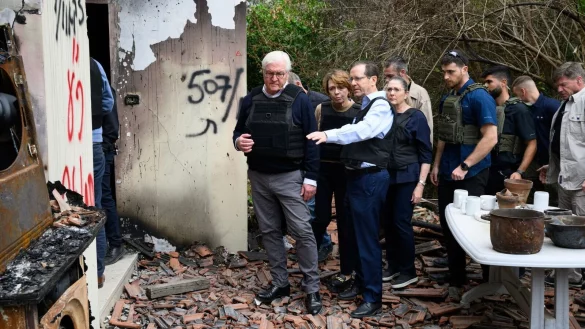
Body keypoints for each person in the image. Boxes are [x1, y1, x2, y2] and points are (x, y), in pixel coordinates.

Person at [232, 50, 322, 315]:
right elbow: (238, 131)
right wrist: (238, 142)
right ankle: (281, 284)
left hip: (290, 177)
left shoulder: (300, 100)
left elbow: (312, 140)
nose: (274, 78)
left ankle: (312, 288)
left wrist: (311, 178)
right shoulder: (250, 99)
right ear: (263, 73)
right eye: (270, 73)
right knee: (270, 232)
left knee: (302, 232)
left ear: (288, 74)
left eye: (280, 73)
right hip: (259, 177)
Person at [307, 61, 393, 318]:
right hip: (356, 177)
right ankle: (359, 281)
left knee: (366, 240)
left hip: (370, 178)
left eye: (357, 79)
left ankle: (372, 298)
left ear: (373, 79)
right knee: (354, 235)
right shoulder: (366, 106)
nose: (353, 84)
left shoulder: (380, 106)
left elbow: (362, 131)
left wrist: (328, 135)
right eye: (352, 79)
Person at [430, 51, 497, 288]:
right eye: (444, 72)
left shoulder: (480, 97)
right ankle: (456, 276)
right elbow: (444, 134)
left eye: (451, 72)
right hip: (448, 168)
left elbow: (490, 138)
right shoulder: (449, 97)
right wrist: (436, 164)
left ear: (465, 69)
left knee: (474, 224)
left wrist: (466, 165)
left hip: (472, 172)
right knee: (449, 225)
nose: (446, 77)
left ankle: (489, 278)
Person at [310, 69, 360, 292]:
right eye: (332, 88)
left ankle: (346, 270)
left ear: (348, 88)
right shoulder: (322, 109)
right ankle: (309, 264)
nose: (337, 92)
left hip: (347, 173)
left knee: (345, 222)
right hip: (323, 171)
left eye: (340, 87)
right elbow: (312, 139)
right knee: (319, 219)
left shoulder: (359, 111)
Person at [382, 77, 432, 289]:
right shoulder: (384, 115)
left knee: (401, 223)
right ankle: (393, 266)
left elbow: (426, 153)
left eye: (396, 90)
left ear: (405, 93)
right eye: (389, 89)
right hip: (386, 177)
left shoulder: (416, 117)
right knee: (387, 223)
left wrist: (420, 184)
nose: (392, 93)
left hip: (407, 178)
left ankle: (407, 270)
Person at [538, 62, 585, 287]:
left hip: (582, 181)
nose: (558, 89)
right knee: (567, 228)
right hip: (565, 178)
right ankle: (568, 275)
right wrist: (552, 167)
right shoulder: (564, 106)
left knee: (581, 227)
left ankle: (576, 275)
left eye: (562, 84)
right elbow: (564, 144)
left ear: (578, 80)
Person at [287, 72, 333, 262]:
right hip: (298, 162)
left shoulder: (320, 103)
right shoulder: (288, 102)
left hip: (320, 164)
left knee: (313, 210)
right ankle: (310, 245)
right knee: (303, 209)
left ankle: (322, 244)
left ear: (298, 84)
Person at [480, 66, 537, 195]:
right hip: (487, 173)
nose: (486, 86)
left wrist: (520, 171)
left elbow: (532, 143)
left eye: (489, 82)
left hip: (509, 174)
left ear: (503, 83)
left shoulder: (519, 110)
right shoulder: (488, 109)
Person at [512, 76, 561, 204]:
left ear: (523, 91)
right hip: (536, 162)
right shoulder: (527, 110)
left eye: (518, 95)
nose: (518, 99)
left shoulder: (552, 106)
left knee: (554, 200)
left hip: (554, 164)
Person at [90, 57, 114, 288]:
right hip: (92, 142)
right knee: (94, 208)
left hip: (58, 145)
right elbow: (107, 104)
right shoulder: (94, 64)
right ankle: (97, 273)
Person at [383, 56, 433, 142]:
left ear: (402, 72)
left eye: (390, 76)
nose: (387, 80)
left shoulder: (420, 94)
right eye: (386, 76)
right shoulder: (385, 90)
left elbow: (427, 128)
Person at [102, 87, 124, 266]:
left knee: (104, 197)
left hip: (102, 147)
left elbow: (110, 125)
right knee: (102, 197)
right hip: (102, 146)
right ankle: (112, 244)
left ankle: (115, 245)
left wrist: (106, 143)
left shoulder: (102, 86)